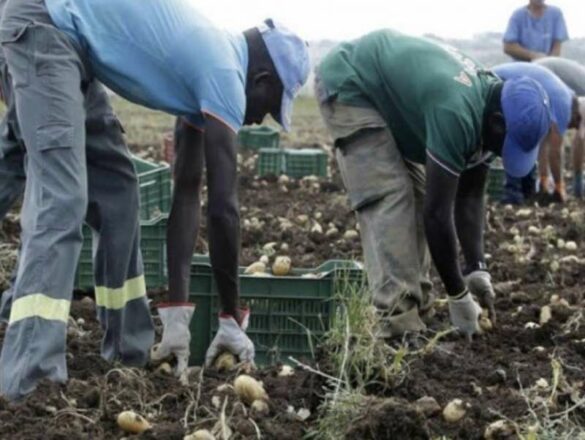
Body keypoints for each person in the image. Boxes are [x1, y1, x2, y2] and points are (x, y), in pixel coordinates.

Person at [0, 0, 308, 400]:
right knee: (62, 200)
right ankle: (30, 381)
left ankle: (127, 353)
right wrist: (231, 316)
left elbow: (186, 190)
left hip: (72, 46)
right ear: (262, 79)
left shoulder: (211, 63)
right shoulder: (224, 74)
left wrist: (178, 312)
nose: (257, 120)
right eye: (267, 108)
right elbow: (223, 210)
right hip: (45, 25)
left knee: (117, 191)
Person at [315, 29, 551, 340]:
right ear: (497, 123)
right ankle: (396, 324)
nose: (500, 154)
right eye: (506, 146)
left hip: (388, 95)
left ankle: (418, 312)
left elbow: (469, 195)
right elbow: (438, 216)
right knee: (391, 195)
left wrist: (476, 267)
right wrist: (457, 295)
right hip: (351, 84)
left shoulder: (491, 105)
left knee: (421, 192)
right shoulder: (456, 111)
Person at [493, 62, 581, 204]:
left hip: (508, 80)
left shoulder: (561, 98)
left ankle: (527, 192)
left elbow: (543, 144)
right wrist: (560, 185)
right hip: (502, 82)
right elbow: (555, 152)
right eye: (574, 126)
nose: (570, 128)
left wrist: (544, 178)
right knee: (519, 134)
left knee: (529, 138)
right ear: (577, 116)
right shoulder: (565, 105)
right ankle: (512, 193)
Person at [535, 57, 585, 198]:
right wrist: (578, 180)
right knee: (554, 137)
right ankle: (556, 185)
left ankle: (544, 181)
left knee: (545, 131)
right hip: (545, 74)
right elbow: (579, 141)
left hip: (536, 72)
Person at [503, 0, 569, 62]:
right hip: (521, 67)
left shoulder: (555, 14)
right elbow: (508, 47)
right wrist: (533, 56)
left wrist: (547, 62)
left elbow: (557, 47)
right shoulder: (518, 15)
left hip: (547, 67)